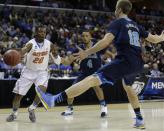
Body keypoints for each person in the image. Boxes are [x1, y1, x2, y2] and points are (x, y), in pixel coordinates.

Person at [35, 0, 164, 129]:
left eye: (115, 8)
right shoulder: (135, 25)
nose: (114, 11)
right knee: (128, 86)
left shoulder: (118, 22)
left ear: (119, 10)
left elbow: (105, 41)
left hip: (125, 61)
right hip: (137, 63)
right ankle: (140, 119)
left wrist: (87, 52)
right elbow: (154, 39)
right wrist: (162, 37)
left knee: (91, 79)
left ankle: (53, 100)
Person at [6, 25, 60, 123]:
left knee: (41, 92)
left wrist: (56, 56)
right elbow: (24, 49)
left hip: (42, 72)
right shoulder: (31, 43)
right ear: (36, 33)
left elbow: (55, 53)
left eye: (44, 32)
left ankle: (32, 108)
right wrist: (19, 54)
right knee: (18, 95)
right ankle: (14, 113)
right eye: (40, 32)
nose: (42, 34)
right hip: (28, 71)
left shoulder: (49, 44)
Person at [61, 31, 107, 117]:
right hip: (84, 73)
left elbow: (108, 53)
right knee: (72, 89)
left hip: (95, 73)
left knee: (97, 87)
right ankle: (69, 108)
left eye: (87, 36)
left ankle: (103, 107)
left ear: (90, 37)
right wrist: (60, 59)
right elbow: (68, 61)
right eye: (83, 36)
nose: (84, 37)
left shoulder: (96, 46)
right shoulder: (79, 48)